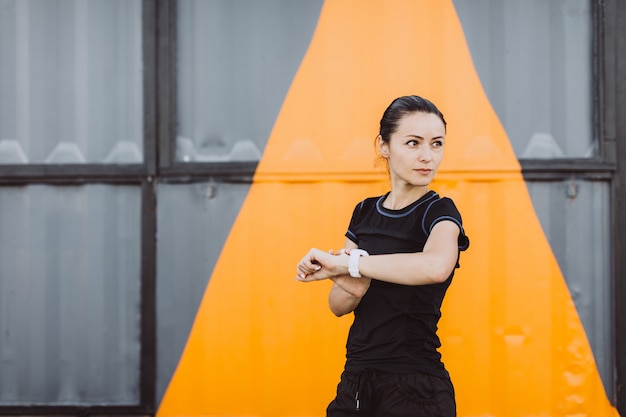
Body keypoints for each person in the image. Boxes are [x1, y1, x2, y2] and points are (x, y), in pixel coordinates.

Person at [295, 95, 470, 417]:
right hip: (357, 381)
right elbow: (337, 306)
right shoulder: (364, 212)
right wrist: (350, 282)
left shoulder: (440, 212)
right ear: (384, 145)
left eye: (436, 144)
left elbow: (435, 267)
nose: (427, 156)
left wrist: (349, 264)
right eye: (413, 143)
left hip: (416, 386)